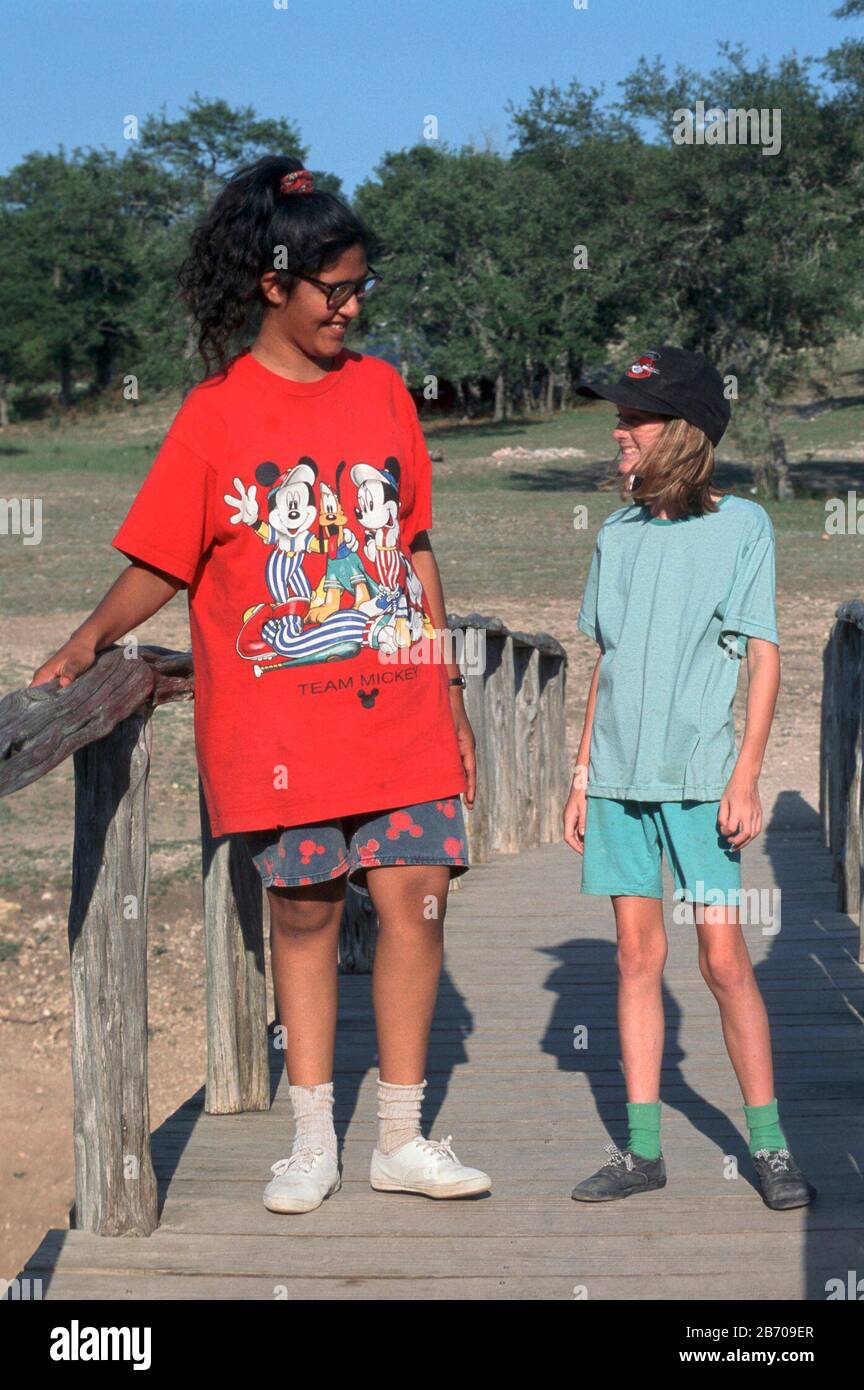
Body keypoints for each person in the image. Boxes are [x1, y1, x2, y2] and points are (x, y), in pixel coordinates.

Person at [30, 157, 491, 1212]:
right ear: (273, 287)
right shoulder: (215, 417)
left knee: (416, 903)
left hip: (402, 707)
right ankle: (312, 1139)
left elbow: (413, 547)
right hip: (283, 725)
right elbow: (163, 554)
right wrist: (90, 637)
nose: (354, 305)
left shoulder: (381, 391)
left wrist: (450, 684)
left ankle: (402, 1138)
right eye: (336, 287)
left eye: (363, 284)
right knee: (304, 914)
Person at [562, 346, 814, 1211]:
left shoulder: (743, 527)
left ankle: (771, 1146)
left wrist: (746, 776)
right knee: (637, 955)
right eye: (620, 418)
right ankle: (643, 1150)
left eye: (636, 418)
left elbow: (765, 658)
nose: (620, 432)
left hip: (704, 780)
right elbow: (607, 660)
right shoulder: (616, 534)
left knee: (722, 957)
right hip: (618, 780)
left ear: (686, 433)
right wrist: (581, 771)